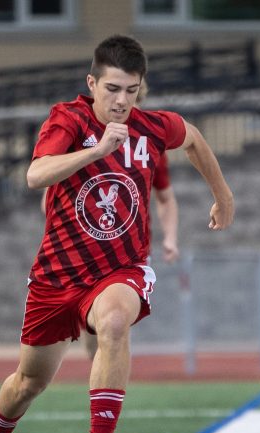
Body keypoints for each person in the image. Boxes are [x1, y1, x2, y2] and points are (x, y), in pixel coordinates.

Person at [0, 34, 234, 433]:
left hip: (121, 270)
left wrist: (223, 196)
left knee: (112, 322)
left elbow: (193, 138)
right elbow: (35, 175)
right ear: (92, 84)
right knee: (28, 384)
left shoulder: (152, 127)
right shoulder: (67, 119)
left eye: (131, 90)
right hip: (56, 276)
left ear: (141, 88)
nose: (121, 100)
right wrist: (97, 150)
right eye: (112, 89)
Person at [40, 79, 181, 361]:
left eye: (132, 105)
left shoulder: (149, 144)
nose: (124, 113)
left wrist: (170, 238)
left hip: (126, 254)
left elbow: (165, 197)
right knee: (80, 341)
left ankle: (106, 385)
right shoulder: (83, 137)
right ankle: (96, 359)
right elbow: (47, 188)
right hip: (80, 250)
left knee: (115, 322)